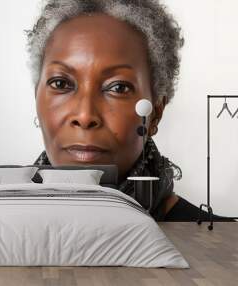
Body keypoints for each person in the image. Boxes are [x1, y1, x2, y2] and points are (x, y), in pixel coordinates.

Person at [24, 0, 234, 221]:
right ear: (36, 97)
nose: (85, 116)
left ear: (156, 113)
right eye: (60, 84)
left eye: (119, 87)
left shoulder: (227, 244)